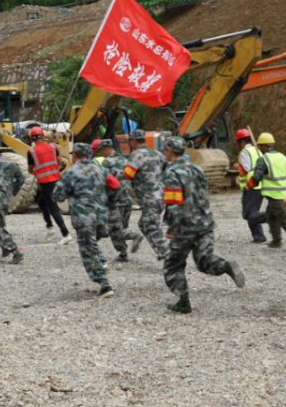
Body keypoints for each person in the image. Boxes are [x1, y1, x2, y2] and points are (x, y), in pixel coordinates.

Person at [161, 136, 246, 313]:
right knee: (204, 260)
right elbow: (203, 195)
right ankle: (225, 266)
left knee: (173, 265)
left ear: (169, 151)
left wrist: (172, 228)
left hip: (185, 227)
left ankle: (183, 302)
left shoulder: (171, 173)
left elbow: (174, 203)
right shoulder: (197, 168)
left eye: (165, 150)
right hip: (205, 223)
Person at [53, 143, 117, 298]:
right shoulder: (101, 169)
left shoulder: (72, 172)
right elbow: (115, 185)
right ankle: (102, 261)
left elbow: (57, 196)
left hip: (84, 218)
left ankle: (104, 285)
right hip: (101, 216)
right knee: (92, 244)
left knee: (87, 251)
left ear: (75, 155)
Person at [246, 132, 286, 250]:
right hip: (282, 193)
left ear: (263, 146)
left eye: (260, 146)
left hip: (273, 195)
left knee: (284, 219)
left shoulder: (263, 159)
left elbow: (256, 178)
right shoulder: (283, 157)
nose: (259, 148)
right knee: (271, 217)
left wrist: (249, 185)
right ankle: (276, 241)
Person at [96, 139, 144, 262]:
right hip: (127, 199)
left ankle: (134, 236)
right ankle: (123, 254)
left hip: (115, 200)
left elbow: (102, 181)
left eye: (101, 151)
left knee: (115, 230)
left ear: (106, 149)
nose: (101, 154)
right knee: (122, 227)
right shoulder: (125, 160)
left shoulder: (106, 162)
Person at [125, 129, 169, 259]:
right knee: (144, 224)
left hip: (148, 197)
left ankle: (169, 256)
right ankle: (161, 252)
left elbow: (128, 174)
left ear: (134, 141)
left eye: (130, 141)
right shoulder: (158, 154)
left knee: (151, 227)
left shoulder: (136, 155)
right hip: (161, 196)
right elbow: (167, 170)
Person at [27, 127, 72, 245]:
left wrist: (38, 173)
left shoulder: (31, 152)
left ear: (31, 138)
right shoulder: (53, 147)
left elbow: (30, 170)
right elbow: (60, 162)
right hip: (56, 179)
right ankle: (50, 226)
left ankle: (66, 234)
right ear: (42, 136)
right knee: (42, 202)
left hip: (45, 183)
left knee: (53, 208)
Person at [235, 128, 269, 243]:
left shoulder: (244, 152)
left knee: (248, 214)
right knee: (253, 212)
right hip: (259, 186)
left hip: (251, 186)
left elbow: (246, 169)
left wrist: (238, 167)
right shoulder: (257, 150)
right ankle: (259, 236)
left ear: (241, 142)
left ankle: (271, 217)